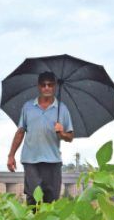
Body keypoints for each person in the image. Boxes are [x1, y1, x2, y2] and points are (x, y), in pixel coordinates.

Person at [7, 71, 73, 204]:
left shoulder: (62, 109)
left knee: (52, 199)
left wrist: (62, 133)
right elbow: (20, 131)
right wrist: (11, 155)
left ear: (54, 86)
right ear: (39, 86)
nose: (47, 88)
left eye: (50, 84)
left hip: (53, 161)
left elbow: (70, 136)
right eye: (43, 85)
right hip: (31, 160)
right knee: (33, 197)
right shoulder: (28, 107)